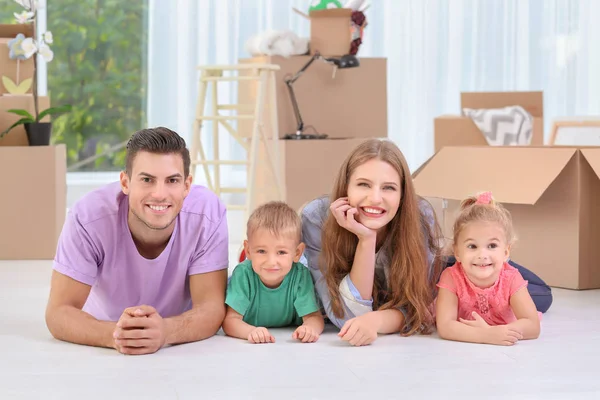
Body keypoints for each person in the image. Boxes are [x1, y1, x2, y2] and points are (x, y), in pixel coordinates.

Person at [300, 139, 552, 347]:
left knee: (541, 294)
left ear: (402, 194)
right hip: (448, 275)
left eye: (388, 188)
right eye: (363, 184)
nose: (375, 198)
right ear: (346, 186)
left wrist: (376, 320)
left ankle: (484, 266)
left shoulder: (419, 215)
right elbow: (346, 316)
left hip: (445, 267)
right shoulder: (316, 218)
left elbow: (417, 306)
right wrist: (366, 238)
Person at [45, 127, 229, 355]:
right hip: (103, 329)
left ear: (187, 186)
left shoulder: (208, 214)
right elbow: (59, 312)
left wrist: (166, 331)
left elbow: (211, 308)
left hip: (179, 340)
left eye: (172, 180)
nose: (160, 194)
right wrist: (117, 335)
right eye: (147, 180)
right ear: (125, 183)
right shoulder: (87, 217)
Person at [435, 192, 541, 346]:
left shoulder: (511, 278)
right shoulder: (451, 276)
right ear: (457, 252)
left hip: (501, 328)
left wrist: (502, 332)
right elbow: (445, 326)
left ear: (506, 252)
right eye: (472, 246)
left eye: (492, 246)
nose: (482, 255)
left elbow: (532, 325)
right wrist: (486, 335)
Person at [223, 201, 324, 344]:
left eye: (281, 252)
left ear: (297, 253)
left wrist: (309, 328)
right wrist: (251, 331)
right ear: (248, 250)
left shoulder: (300, 275)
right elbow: (230, 321)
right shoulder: (243, 274)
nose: (271, 261)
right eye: (261, 251)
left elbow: (314, 317)